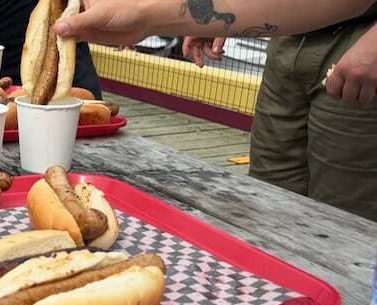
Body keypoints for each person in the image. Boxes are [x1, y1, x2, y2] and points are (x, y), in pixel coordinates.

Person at [55, 0, 377, 221]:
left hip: (361, 38)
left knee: (346, 213)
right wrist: (221, 13)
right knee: (269, 199)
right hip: (290, 37)